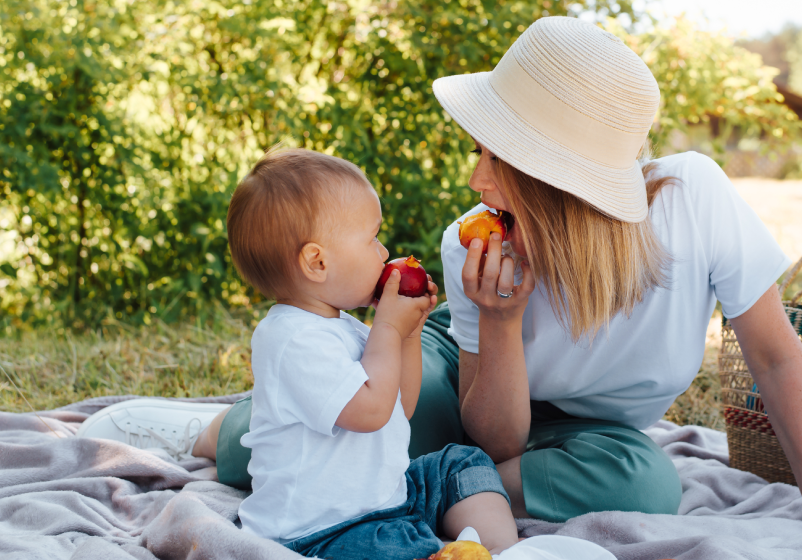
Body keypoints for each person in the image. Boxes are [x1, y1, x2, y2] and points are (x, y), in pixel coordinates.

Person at [79, 17, 802, 538]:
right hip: (479, 386)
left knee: (651, 482)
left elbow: (775, 358)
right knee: (314, 441)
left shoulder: (694, 199)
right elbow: (500, 439)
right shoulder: (469, 243)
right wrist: (503, 322)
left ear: (557, 177)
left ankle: (409, 479)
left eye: (494, 154)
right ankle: (215, 430)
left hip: (594, 431)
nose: (476, 178)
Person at [80, 148, 520, 558]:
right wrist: (387, 326)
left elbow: (398, 408)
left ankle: (504, 550)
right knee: (392, 547)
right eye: (372, 239)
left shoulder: (343, 325)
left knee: (460, 464)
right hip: (323, 529)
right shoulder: (289, 340)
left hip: (384, 501)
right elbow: (368, 411)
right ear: (317, 262)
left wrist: (407, 335)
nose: (385, 252)